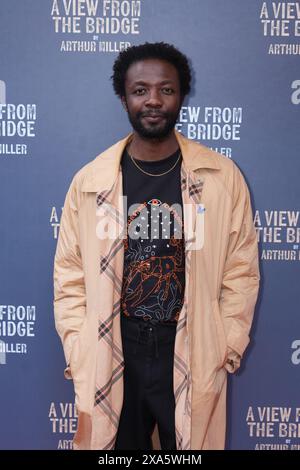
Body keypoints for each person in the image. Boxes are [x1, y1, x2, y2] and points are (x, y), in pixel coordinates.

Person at [53, 42, 260, 450]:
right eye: (140, 90)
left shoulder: (220, 177)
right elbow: (69, 275)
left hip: (190, 343)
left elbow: (241, 269)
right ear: (124, 96)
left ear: (182, 94)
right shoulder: (91, 180)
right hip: (115, 344)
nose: (153, 100)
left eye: (165, 90)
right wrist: (80, 348)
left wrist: (226, 342)